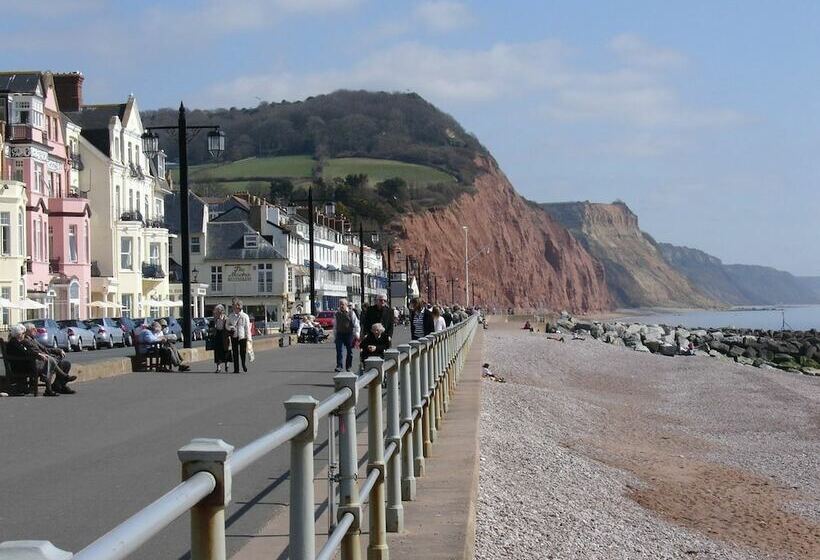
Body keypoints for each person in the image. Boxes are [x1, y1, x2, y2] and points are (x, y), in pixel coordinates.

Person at [7, 324, 60, 396]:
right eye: (23, 333)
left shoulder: (16, 342)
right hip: (22, 368)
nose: (24, 335)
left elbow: (26, 353)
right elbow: (25, 353)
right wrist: (38, 355)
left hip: (23, 365)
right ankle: (50, 387)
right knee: (48, 362)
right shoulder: (14, 343)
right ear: (19, 334)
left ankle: (49, 387)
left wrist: (38, 354)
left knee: (48, 361)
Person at [24, 323, 76, 394]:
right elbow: (36, 352)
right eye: (33, 329)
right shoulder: (26, 341)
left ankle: (59, 385)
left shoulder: (33, 339)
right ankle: (58, 383)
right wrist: (45, 355)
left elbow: (45, 349)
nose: (36, 330)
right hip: (39, 362)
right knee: (51, 362)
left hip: (44, 359)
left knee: (66, 364)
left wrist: (58, 350)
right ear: (27, 331)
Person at [334, 298, 360, 372]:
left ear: (346, 305)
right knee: (339, 350)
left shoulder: (351, 313)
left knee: (350, 352)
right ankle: (339, 366)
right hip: (339, 334)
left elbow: (356, 324)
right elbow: (335, 325)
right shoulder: (337, 313)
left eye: (343, 304)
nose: (341, 306)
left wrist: (357, 334)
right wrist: (335, 335)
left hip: (349, 334)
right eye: (340, 304)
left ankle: (348, 366)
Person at [226, 300, 252, 373]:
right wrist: (230, 328)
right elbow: (227, 325)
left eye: (234, 305)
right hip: (234, 336)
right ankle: (236, 368)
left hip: (242, 336)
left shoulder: (244, 316)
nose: (233, 306)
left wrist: (249, 338)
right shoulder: (231, 316)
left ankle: (243, 364)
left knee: (242, 352)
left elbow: (247, 328)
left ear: (238, 306)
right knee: (235, 353)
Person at [209, 304, 231, 373]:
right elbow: (212, 328)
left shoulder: (226, 318)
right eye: (216, 311)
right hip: (218, 335)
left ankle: (227, 365)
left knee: (226, 350)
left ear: (222, 311)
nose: (216, 312)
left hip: (224, 335)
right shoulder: (215, 319)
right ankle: (218, 367)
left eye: (218, 311)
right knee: (217, 351)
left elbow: (229, 327)